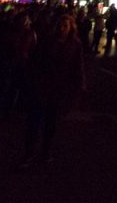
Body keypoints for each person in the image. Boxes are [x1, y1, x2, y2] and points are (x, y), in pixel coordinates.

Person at [21, 13, 85, 166]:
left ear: (71, 28)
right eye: (60, 26)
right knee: (35, 122)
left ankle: (45, 151)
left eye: (66, 26)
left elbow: (78, 66)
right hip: (43, 86)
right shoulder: (48, 41)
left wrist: (79, 84)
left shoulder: (75, 45)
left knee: (51, 123)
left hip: (59, 89)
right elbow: (36, 61)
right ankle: (29, 153)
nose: (62, 29)